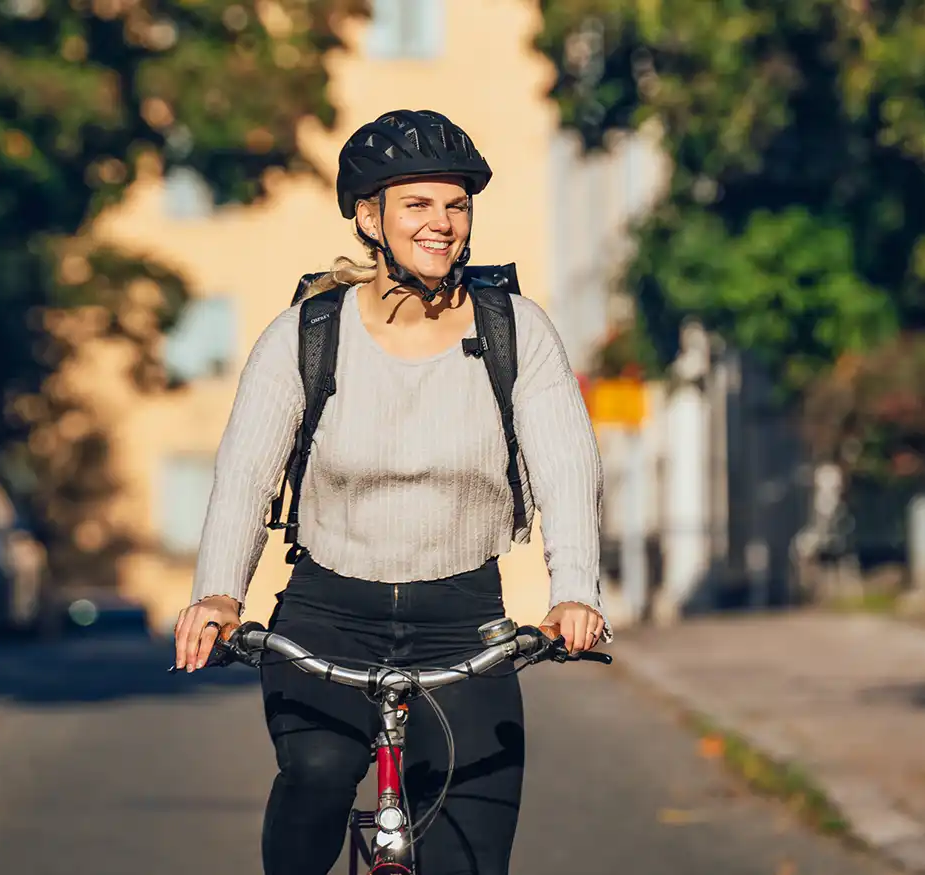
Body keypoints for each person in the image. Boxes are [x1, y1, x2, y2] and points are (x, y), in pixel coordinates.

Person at [172, 109, 610, 875]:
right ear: (369, 217)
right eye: (418, 203)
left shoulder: (517, 333)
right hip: (324, 619)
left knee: (470, 850)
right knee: (315, 774)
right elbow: (244, 475)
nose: (442, 223)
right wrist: (217, 596)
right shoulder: (306, 335)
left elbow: (569, 470)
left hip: (464, 622)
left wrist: (576, 591)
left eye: (457, 204)